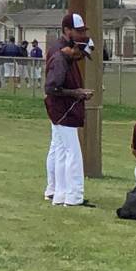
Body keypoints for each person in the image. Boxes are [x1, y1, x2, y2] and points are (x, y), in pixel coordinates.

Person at [43, 13, 93, 206]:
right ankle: (72, 196)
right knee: (70, 152)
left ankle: (57, 192)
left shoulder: (64, 53)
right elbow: (51, 87)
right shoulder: (60, 54)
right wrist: (76, 92)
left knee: (59, 150)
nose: (80, 34)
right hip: (62, 109)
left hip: (60, 109)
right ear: (67, 31)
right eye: (78, 31)